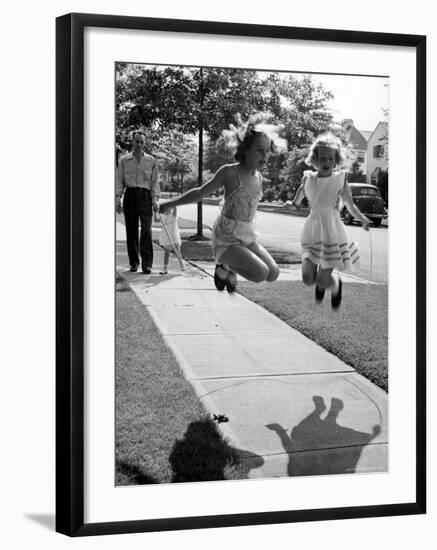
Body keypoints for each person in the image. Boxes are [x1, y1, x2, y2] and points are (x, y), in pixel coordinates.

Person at [159, 113, 286, 293]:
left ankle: (226, 267)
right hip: (226, 236)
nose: (265, 155)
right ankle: (224, 263)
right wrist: (170, 203)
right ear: (245, 149)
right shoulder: (229, 172)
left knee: (273, 273)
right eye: (259, 150)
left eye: (267, 150)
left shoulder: (258, 177)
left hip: (247, 234)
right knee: (260, 273)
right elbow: (199, 192)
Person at [290, 133, 370, 309]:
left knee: (322, 278)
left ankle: (334, 285)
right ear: (315, 160)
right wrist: (293, 203)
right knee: (307, 278)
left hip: (332, 233)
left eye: (330, 159)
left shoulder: (339, 180)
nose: (326, 162)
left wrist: (363, 219)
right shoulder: (308, 178)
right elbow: (301, 192)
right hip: (312, 230)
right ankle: (321, 283)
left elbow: (349, 204)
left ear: (335, 161)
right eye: (322, 158)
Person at [116, 130, 160, 274]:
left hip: (146, 197)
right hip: (130, 196)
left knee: (146, 231)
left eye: (142, 142)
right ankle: (134, 262)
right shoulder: (123, 160)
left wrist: (155, 200)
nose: (139, 144)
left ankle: (147, 264)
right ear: (132, 142)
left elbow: (154, 183)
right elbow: (119, 181)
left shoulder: (151, 161)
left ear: (144, 143)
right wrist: (118, 198)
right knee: (131, 230)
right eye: (137, 141)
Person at [158, 206, 185, 274]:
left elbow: (175, 211)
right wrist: (155, 212)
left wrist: (174, 204)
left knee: (178, 253)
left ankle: (182, 264)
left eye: (169, 209)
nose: (167, 211)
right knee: (166, 254)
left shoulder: (173, 216)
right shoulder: (163, 217)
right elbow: (156, 219)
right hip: (167, 238)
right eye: (166, 210)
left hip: (174, 237)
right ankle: (165, 268)